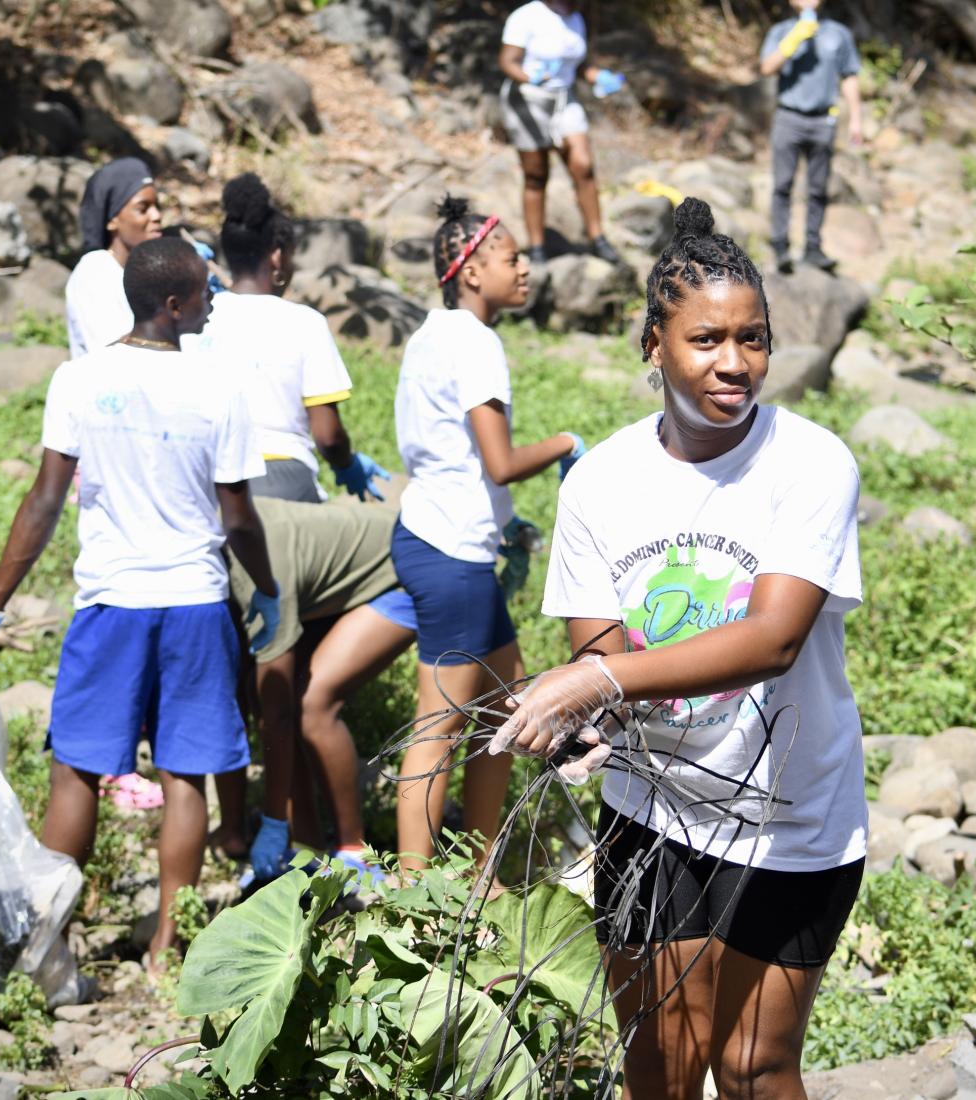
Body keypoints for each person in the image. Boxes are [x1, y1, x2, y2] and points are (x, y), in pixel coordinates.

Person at [492, 198, 867, 1100]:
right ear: (651, 343)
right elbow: (602, 658)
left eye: (754, 339)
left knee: (750, 1067)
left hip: (793, 819)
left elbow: (775, 639)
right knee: (659, 1070)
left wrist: (594, 680)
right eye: (706, 340)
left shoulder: (812, 464)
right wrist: (577, 714)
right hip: (654, 812)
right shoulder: (601, 484)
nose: (734, 364)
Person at [0, 237, 282, 971]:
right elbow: (238, 518)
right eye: (202, 291)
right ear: (171, 305)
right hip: (193, 602)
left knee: (76, 770)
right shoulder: (219, 388)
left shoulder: (78, 378)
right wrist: (269, 590)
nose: (212, 300)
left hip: (110, 604)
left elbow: (44, 500)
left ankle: (50, 938)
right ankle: (167, 945)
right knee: (183, 774)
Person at [390, 195, 584, 872]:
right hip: (453, 551)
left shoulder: (432, 333)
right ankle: (412, 894)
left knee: (506, 712)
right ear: (470, 271)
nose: (525, 266)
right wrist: (567, 443)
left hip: (437, 535)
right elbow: (499, 463)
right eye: (511, 257)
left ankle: (479, 869)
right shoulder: (476, 342)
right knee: (439, 726)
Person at [216, 495, 417, 884]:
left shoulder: (257, 568)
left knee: (310, 705)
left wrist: (272, 821)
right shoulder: (214, 545)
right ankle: (307, 849)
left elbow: (278, 716)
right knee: (273, 699)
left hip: (404, 577)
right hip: (338, 585)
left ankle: (354, 851)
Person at [193, 172, 389, 504]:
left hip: (209, 481)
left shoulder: (197, 320)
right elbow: (328, 436)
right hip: (284, 480)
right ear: (277, 257)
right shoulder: (305, 324)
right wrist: (347, 464)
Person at [498, 0, 626, 266]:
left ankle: (597, 238)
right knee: (536, 174)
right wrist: (528, 76)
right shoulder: (526, 16)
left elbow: (578, 65)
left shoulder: (576, 17)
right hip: (527, 100)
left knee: (583, 166)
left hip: (564, 100)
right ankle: (537, 247)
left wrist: (597, 76)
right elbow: (507, 61)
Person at [760, 0, 863, 273]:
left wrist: (856, 118)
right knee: (782, 184)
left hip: (823, 120)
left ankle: (813, 247)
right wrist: (794, 38)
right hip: (788, 117)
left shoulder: (838, 33)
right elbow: (767, 67)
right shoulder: (781, 30)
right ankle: (780, 245)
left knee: (818, 188)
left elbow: (850, 76)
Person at [66, 157, 164, 358]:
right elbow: (116, 355)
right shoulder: (95, 272)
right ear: (112, 221)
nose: (156, 216)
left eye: (157, 205)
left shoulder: (143, 272)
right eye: (143, 208)